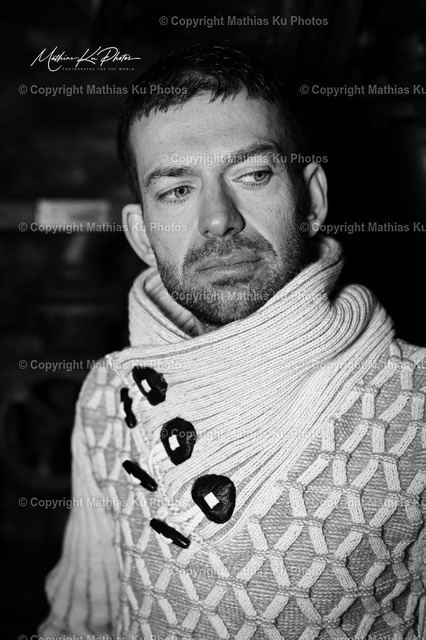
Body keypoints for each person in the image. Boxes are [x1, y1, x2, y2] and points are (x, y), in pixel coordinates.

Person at [39, 44, 426, 640]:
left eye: (253, 175)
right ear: (141, 235)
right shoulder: (107, 395)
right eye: (176, 190)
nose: (218, 218)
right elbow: (81, 624)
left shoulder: (417, 405)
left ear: (312, 199)